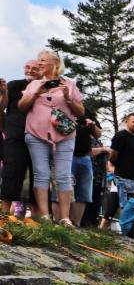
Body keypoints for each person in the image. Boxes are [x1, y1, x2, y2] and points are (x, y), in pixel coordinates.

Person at [17, 49, 85, 224]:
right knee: (41, 174)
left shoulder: (69, 84)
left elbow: (81, 112)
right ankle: (45, 217)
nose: (39, 63)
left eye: (43, 60)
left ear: (55, 64)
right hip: (35, 134)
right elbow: (21, 106)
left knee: (63, 176)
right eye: (38, 60)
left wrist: (68, 98)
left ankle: (65, 218)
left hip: (64, 136)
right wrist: (35, 93)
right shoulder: (34, 84)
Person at [2, 61, 42, 220]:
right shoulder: (14, 85)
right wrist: (4, 93)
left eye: (35, 68)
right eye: (27, 67)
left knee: (37, 173)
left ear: (41, 71)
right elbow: (2, 107)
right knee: (11, 171)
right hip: (15, 132)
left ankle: (37, 216)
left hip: (38, 135)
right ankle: (4, 213)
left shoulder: (46, 88)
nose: (30, 70)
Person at [69, 111, 106, 227]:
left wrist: (93, 125)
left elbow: (98, 134)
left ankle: (77, 223)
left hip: (86, 159)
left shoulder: (88, 115)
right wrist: (102, 149)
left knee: (83, 193)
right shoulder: (66, 110)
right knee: (68, 190)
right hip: (69, 155)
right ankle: (67, 220)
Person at [109, 112, 134, 212]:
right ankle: (125, 222)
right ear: (126, 122)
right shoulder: (120, 136)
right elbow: (113, 156)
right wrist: (120, 168)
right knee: (127, 206)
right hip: (124, 177)